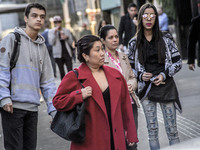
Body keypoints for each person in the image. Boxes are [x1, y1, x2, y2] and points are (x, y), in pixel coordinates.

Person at [53, 35, 138, 150]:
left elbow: (126, 106)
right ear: (85, 56)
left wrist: (131, 133)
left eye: (102, 49)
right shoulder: (74, 76)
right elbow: (58, 101)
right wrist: (79, 94)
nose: (102, 53)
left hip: (116, 138)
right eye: (97, 50)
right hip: (90, 141)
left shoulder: (116, 75)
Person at [0, 3, 57, 150]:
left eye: (42, 17)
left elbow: (47, 81)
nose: (38, 19)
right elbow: (2, 70)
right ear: (26, 18)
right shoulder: (12, 39)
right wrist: (4, 97)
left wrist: (53, 109)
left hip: (32, 108)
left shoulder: (42, 46)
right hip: (12, 107)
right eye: (34, 15)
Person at [128, 3, 182, 150]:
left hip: (166, 86)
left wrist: (164, 75)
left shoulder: (166, 37)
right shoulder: (133, 42)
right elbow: (129, 67)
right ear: (140, 18)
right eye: (145, 15)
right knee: (152, 132)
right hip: (146, 89)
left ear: (156, 18)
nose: (149, 18)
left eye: (152, 15)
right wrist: (140, 76)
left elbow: (178, 62)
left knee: (172, 131)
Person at [99, 25, 139, 150]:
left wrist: (132, 85)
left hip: (131, 103)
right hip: (115, 106)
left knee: (132, 141)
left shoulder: (123, 56)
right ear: (103, 41)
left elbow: (132, 76)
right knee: (119, 141)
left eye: (116, 36)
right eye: (110, 37)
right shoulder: (101, 60)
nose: (115, 40)